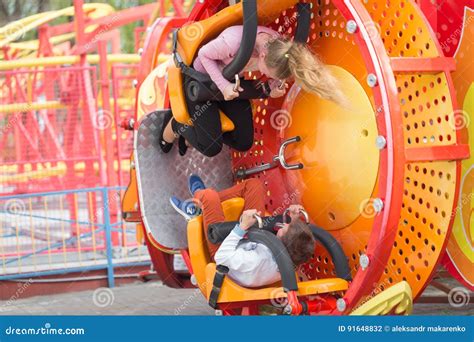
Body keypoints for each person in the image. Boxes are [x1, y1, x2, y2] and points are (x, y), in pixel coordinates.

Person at [160, 25, 345, 157]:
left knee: (243, 142)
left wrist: (272, 88)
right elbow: (204, 55)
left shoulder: (278, 47)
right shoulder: (233, 43)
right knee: (211, 148)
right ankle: (177, 125)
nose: (267, 76)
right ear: (263, 55)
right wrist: (224, 87)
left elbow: (268, 74)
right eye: (269, 74)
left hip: (230, 83)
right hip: (200, 82)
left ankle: (196, 134)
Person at [170, 174, 316, 288]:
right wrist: (293, 218)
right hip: (250, 243)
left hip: (226, 253)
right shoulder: (292, 255)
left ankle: (196, 203)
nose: (283, 225)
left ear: (281, 242)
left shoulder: (255, 262)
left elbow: (222, 256)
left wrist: (241, 228)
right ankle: (203, 201)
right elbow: (296, 241)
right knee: (254, 186)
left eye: (284, 229)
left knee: (209, 196)